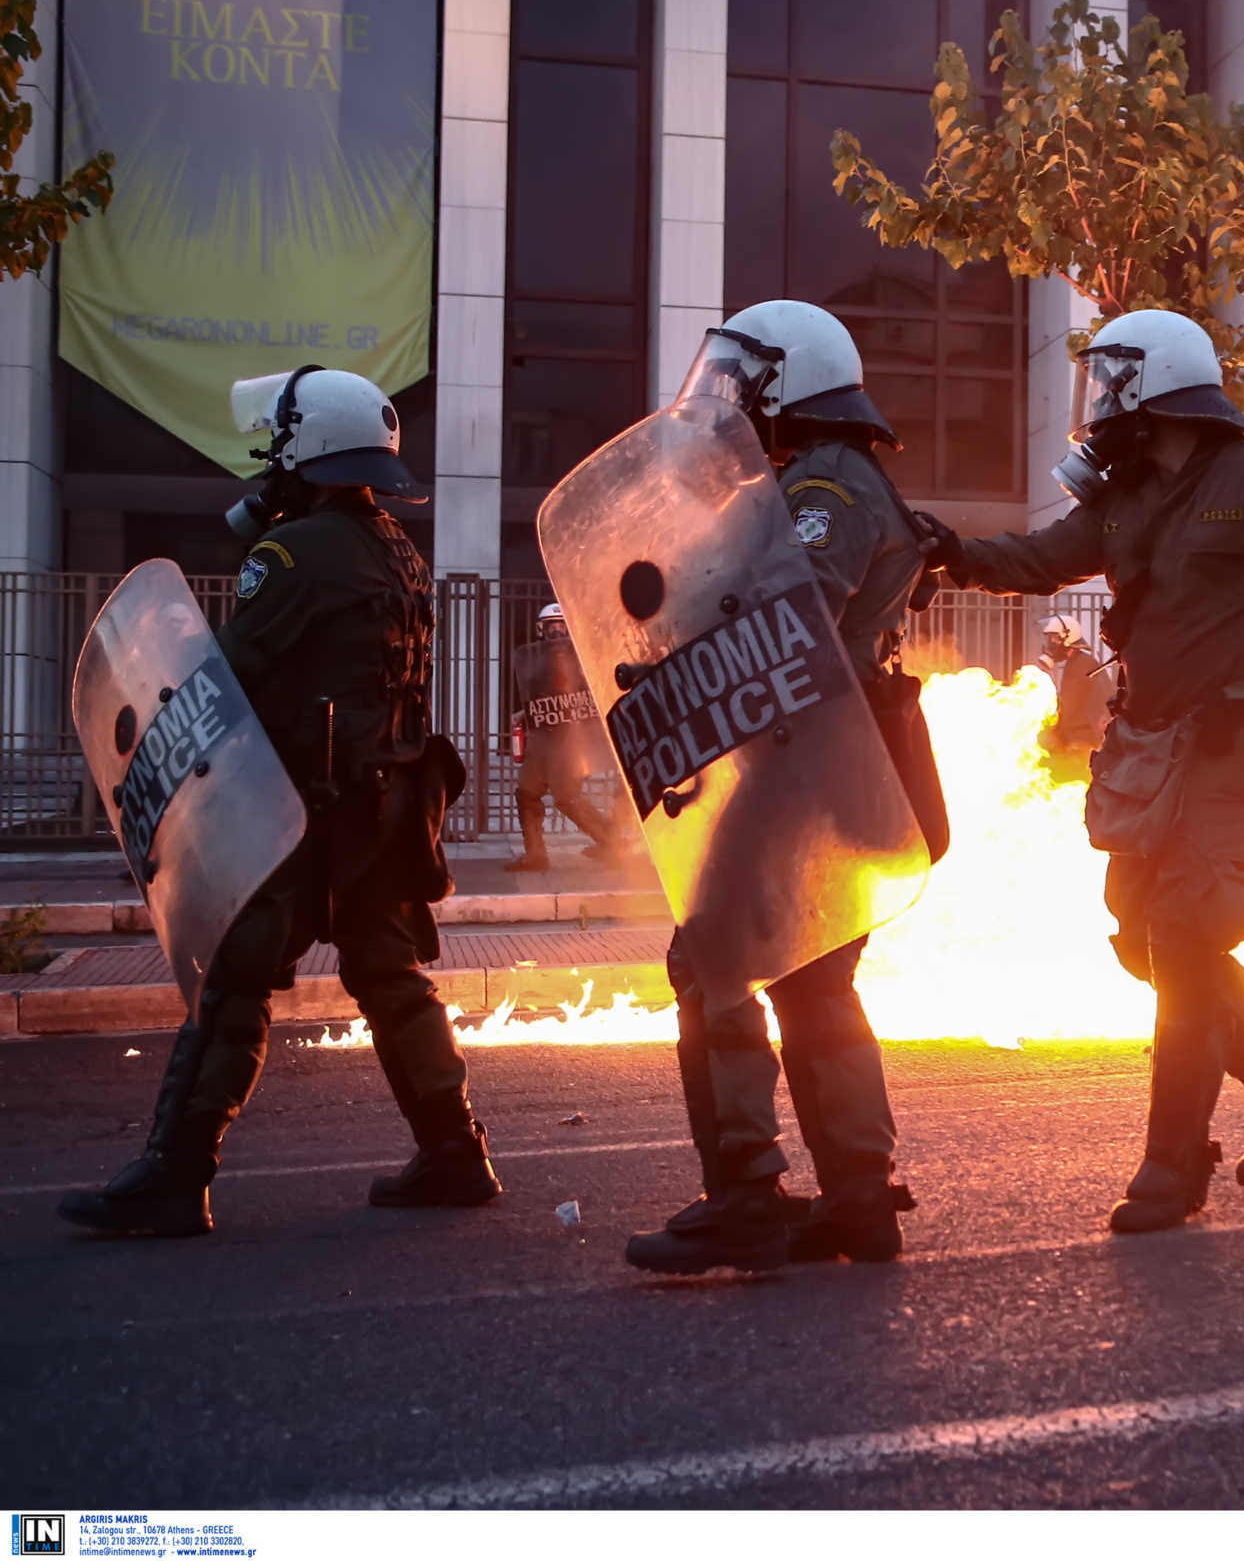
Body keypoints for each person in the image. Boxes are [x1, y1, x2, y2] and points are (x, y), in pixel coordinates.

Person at [915, 308, 1244, 1231]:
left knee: (1184, 936)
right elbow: (1042, 558)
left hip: (1238, 740)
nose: (1098, 396)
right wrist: (950, 550)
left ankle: (1173, 1167)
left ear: (1158, 380)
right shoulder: (1125, 495)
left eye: (1112, 374)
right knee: (1140, 933)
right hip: (1149, 741)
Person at [60, 367, 499, 1238]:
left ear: (309, 449)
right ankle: (457, 1152)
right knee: (392, 980)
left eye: (279, 444)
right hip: (386, 807)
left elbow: (227, 672)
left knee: (233, 982)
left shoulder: (290, 555)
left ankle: (176, 1178)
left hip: (304, 814)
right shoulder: (394, 547)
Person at [622, 300, 934, 1273]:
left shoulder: (827, 484)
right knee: (811, 976)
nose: (722, 399)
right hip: (814, 757)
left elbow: (789, 601)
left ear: (783, 385)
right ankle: (856, 1196)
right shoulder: (807, 479)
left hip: (804, 760)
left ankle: (748, 1189)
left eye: (739, 380)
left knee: (713, 959)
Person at [505, 602, 633, 872]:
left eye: (561, 625)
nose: (557, 632)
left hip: (571, 740)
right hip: (542, 739)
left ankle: (611, 841)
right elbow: (538, 698)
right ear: (542, 629)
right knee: (527, 792)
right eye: (552, 626)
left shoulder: (585, 658)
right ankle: (536, 855)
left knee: (565, 796)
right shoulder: (535, 660)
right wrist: (523, 713)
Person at [1034, 612, 1114, 763]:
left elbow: (1070, 704)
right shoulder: (1077, 663)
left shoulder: (1082, 664)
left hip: (1080, 740)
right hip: (1077, 737)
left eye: (1054, 638)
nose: (1050, 643)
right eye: (1049, 638)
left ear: (1068, 638)